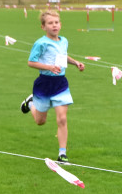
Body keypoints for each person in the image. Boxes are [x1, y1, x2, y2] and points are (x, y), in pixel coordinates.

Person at [20, 10, 85, 161]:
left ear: (60, 24)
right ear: (43, 27)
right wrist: (49, 67)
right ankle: (30, 103)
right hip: (44, 84)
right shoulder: (41, 43)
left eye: (56, 22)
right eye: (50, 23)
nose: (54, 25)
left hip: (61, 84)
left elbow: (63, 55)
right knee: (40, 121)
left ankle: (62, 154)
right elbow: (31, 62)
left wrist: (76, 63)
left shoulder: (64, 41)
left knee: (62, 119)